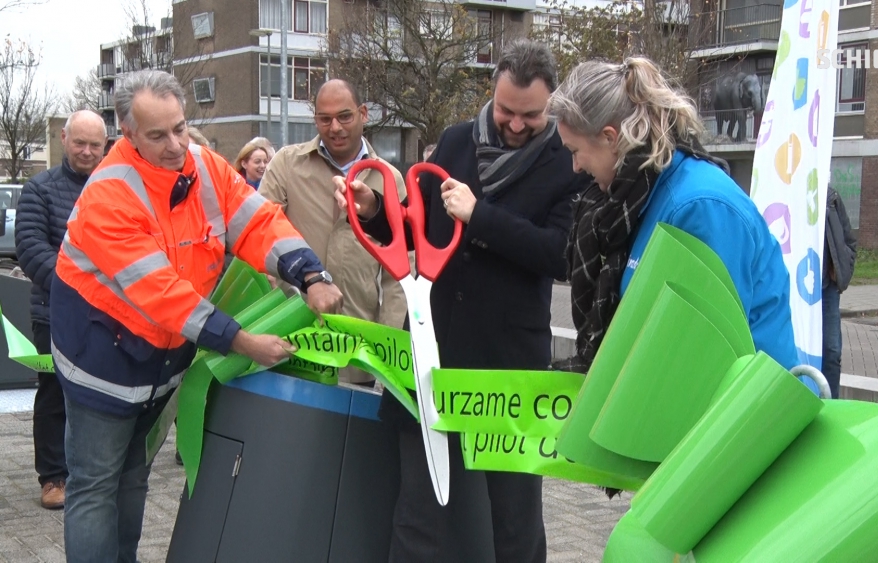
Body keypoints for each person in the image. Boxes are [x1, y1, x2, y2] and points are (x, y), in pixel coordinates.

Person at [51, 70, 344, 563]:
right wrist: (240, 341)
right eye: (158, 135)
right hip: (100, 363)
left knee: (133, 479)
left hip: (159, 361)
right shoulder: (109, 194)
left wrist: (311, 274)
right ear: (127, 134)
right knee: (95, 487)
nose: (175, 145)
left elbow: (257, 221)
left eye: (181, 128)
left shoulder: (204, 167)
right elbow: (163, 294)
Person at [334, 39, 589, 562]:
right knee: (420, 514)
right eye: (505, 111)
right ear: (491, 93)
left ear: (553, 105)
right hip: (433, 354)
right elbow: (416, 229)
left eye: (531, 116)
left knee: (515, 521)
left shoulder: (569, 161)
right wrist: (376, 210)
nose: (515, 125)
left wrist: (483, 217)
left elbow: (562, 255)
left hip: (508, 368)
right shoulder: (454, 142)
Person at [546, 57, 798, 375]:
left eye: (574, 151)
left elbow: (707, 351)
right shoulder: (637, 199)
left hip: (748, 413)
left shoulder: (699, 208)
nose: (575, 167)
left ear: (610, 138)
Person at [259, 78, 408, 386]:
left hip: (357, 351)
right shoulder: (287, 165)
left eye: (344, 116)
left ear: (364, 114)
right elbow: (256, 233)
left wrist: (386, 346)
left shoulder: (389, 179)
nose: (335, 127)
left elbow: (399, 273)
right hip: (294, 343)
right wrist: (279, 307)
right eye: (324, 119)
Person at [14, 110, 107, 510]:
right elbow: (33, 250)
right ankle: (53, 477)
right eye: (80, 143)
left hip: (108, 316)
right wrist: (84, 289)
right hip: (54, 313)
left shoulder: (116, 188)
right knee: (54, 394)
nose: (87, 152)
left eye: (95, 145)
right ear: (64, 138)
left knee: (100, 396)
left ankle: (92, 471)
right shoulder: (40, 189)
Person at [822, 186, 857, 399]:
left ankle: (831, 407)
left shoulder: (831, 197)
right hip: (795, 288)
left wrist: (842, 271)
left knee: (832, 352)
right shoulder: (784, 190)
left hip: (827, 289)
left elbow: (849, 241)